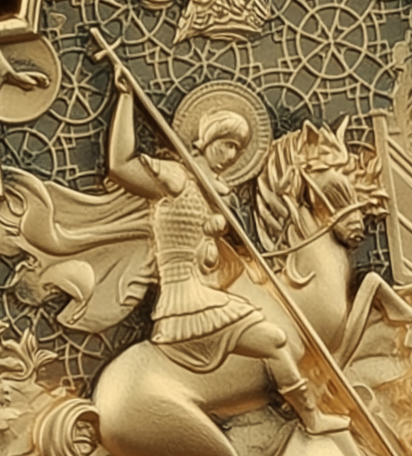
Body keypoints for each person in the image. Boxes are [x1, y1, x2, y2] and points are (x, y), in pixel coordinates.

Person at [104, 68, 346, 434]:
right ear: (206, 140)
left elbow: (219, 257)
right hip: (185, 299)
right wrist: (125, 99)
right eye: (226, 143)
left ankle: (312, 418)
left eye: (237, 148)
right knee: (276, 340)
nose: (231, 155)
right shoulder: (175, 178)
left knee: (277, 341)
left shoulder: (219, 194)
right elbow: (120, 165)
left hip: (208, 290)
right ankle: (311, 418)